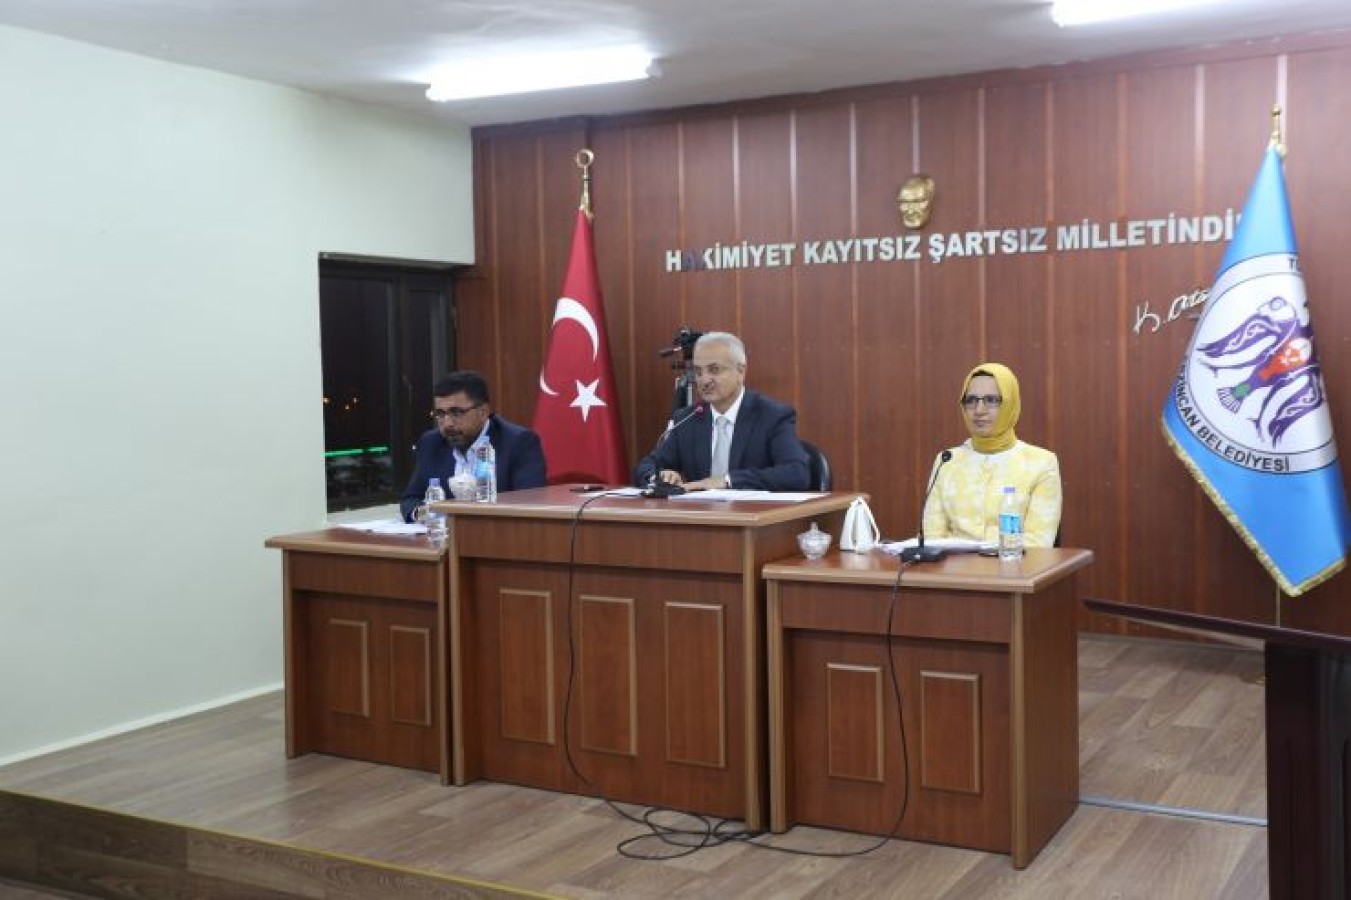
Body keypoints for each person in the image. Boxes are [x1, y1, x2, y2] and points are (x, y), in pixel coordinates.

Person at [634, 332, 809, 491]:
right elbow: (647, 466)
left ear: (741, 371)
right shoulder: (688, 418)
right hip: (702, 514)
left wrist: (727, 481)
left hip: (752, 513)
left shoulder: (772, 416)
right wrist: (660, 477)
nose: (704, 380)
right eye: (698, 371)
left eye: (714, 370)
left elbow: (797, 473)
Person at [921, 363, 1062, 546]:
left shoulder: (1040, 463)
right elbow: (932, 539)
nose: (979, 410)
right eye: (971, 400)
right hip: (955, 564)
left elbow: (1038, 544)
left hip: (1014, 563)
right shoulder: (947, 460)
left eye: (991, 400)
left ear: (1010, 403)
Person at [400, 371, 547, 522]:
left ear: (483, 412)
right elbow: (411, 499)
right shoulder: (431, 442)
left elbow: (529, 505)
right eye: (440, 414)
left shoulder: (519, 443)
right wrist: (428, 515)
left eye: (457, 413)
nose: (448, 423)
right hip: (444, 534)